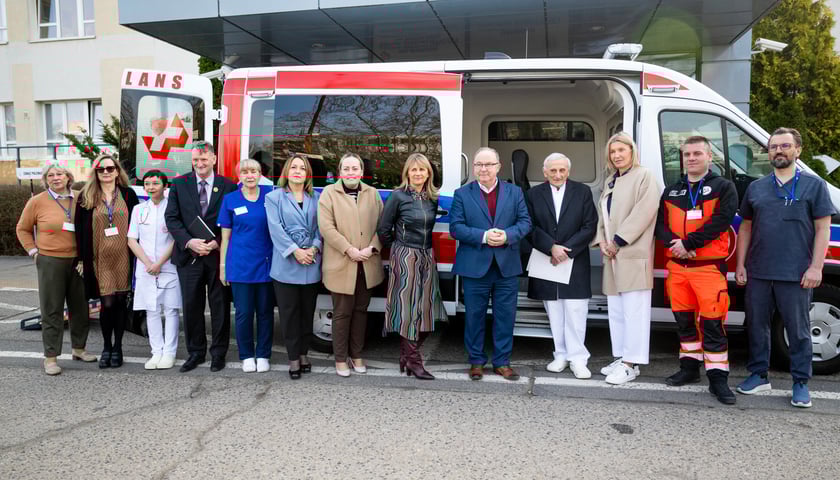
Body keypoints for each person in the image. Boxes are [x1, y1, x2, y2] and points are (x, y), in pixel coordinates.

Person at [735, 127, 834, 408]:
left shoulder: (814, 186)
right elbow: (746, 228)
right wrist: (741, 264)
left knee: (799, 329)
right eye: (774, 146)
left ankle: (800, 382)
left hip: (796, 273)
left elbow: (822, 228)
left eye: (785, 146)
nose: (779, 150)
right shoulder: (757, 187)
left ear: (797, 151)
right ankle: (758, 375)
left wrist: (816, 267)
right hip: (759, 271)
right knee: (757, 326)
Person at [654, 136, 738, 404]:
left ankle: (718, 379)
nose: (691, 158)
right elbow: (660, 225)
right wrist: (675, 245)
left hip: (708, 268)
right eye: (687, 154)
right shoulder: (671, 191)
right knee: (684, 323)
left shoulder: (723, 187)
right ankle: (689, 369)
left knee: (713, 325)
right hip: (677, 269)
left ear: (709, 156)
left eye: (697, 153)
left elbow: (721, 222)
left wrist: (688, 243)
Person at [449, 147, 532, 381]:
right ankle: (476, 361)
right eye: (478, 164)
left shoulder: (515, 193)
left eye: (488, 164)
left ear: (498, 166)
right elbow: (456, 228)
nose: (483, 169)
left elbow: (525, 222)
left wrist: (507, 236)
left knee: (505, 316)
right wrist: (484, 236)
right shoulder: (462, 194)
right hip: (475, 265)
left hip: (506, 266)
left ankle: (502, 362)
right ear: (473, 167)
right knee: (474, 316)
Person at [593, 132, 660, 385]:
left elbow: (645, 211)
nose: (617, 155)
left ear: (632, 151)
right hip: (612, 255)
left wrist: (618, 241)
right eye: (613, 151)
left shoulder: (644, 176)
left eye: (622, 150)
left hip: (632, 253)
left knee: (635, 311)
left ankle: (632, 363)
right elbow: (603, 215)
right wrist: (602, 241)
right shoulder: (611, 180)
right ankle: (621, 357)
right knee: (617, 312)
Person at [16, 165, 97, 375]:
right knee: (52, 310)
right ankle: (51, 358)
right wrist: (34, 252)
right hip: (50, 260)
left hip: (78, 261)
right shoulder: (37, 201)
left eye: (59, 174)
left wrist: (86, 257)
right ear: (46, 180)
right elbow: (22, 229)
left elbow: (91, 226)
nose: (55, 178)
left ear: (68, 177)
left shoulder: (80, 198)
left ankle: (79, 349)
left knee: (80, 308)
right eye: (50, 175)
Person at [165, 141, 237, 373]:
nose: (199, 164)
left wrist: (217, 241)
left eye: (204, 159)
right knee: (192, 307)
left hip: (217, 256)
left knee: (220, 307)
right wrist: (189, 242)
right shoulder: (178, 184)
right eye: (195, 160)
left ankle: (218, 354)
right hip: (189, 256)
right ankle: (195, 353)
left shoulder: (228, 185)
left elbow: (233, 218)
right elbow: (172, 219)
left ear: (214, 159)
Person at [525, 153, 598, 379]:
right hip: (547, 259)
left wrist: (566, 249)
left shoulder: (582, 192)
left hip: (573, 259)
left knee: (576, 311)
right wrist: (551, 247)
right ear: (544, 172)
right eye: (553, 171)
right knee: (554, 311)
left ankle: (578, 358)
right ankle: (561, 355)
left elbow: (590, 225)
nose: (558, 175)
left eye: (562, 170)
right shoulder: (533, 194)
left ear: (569, 171)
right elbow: (529, 225)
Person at [377, 153, 447, 380]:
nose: (418, 174)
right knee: (407, 309)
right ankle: (415, 362)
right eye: (414, 170)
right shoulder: (398, 196)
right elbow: (383, 230)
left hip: (427, 255)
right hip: (405, 255)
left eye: (422, 170)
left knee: (426, 310)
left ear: (429, 173)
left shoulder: (431, 197)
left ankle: (406, 356)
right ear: (407, 172)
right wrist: (399, 249)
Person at [318, 153, 384, 377]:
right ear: (339, 171)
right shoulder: (329, 193)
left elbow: (382, 226)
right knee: (342, 313)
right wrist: (349, 250)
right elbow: (326, 228)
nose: (350, 172)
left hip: (367, 262)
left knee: (361, 312)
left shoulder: (372, 194)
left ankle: (356, 355)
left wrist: (371, 248)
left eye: (354, 168)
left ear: (362, 171)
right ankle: (339, 359)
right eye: (346, 168)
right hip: (341, 262)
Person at [75, 154, 139, 369]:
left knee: (120, 303)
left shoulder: (129, 195)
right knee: (107, 303)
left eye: (110, 168)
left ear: (117, 171)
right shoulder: (86, 196)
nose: (105, 172)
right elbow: (80, 231)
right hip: (99, 258)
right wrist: (82, 259)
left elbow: (138, 226)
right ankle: (106, 347)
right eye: (101, 169)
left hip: (123, 257)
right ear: (95, 173)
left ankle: (118, 348)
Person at [266, 154, 322, 379]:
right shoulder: (274, 198)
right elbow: (275, 228)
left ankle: (304, 353)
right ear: (286, 172)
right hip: (287, 265)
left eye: (302, 168)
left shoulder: (316, 197)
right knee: (289, 315)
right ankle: (293, 358)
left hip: (311, 263)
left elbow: (322, 228)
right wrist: (296, 251)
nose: (298, 171)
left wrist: (314, 248)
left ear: (307, 173)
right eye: (294, 167)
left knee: (307, 315)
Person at [218, 159, 274, 373]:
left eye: (253, 171)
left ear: (260, 174)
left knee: (265, 313)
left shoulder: (270, 197)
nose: (249, 175)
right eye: (244, 172)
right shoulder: (230, 199)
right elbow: (225, 238)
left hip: (266, 264)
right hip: (240, 265)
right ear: (238, 176)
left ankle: (263, 354)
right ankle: (247, 355)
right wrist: (223, 266)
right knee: (243, 313)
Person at [127, 170, 182, 370]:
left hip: (168, 266)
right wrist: (147, 262)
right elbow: (132, 238)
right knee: (151, 310)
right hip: (145, 268)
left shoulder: (173, 209)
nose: (151, 187)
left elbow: (177, 239)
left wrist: (159, 263)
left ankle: (169, 352)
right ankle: (156, 352)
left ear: (165, 186)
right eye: (147, 184)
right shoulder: (139, 209)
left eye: (155, 183)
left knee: (171, 310)